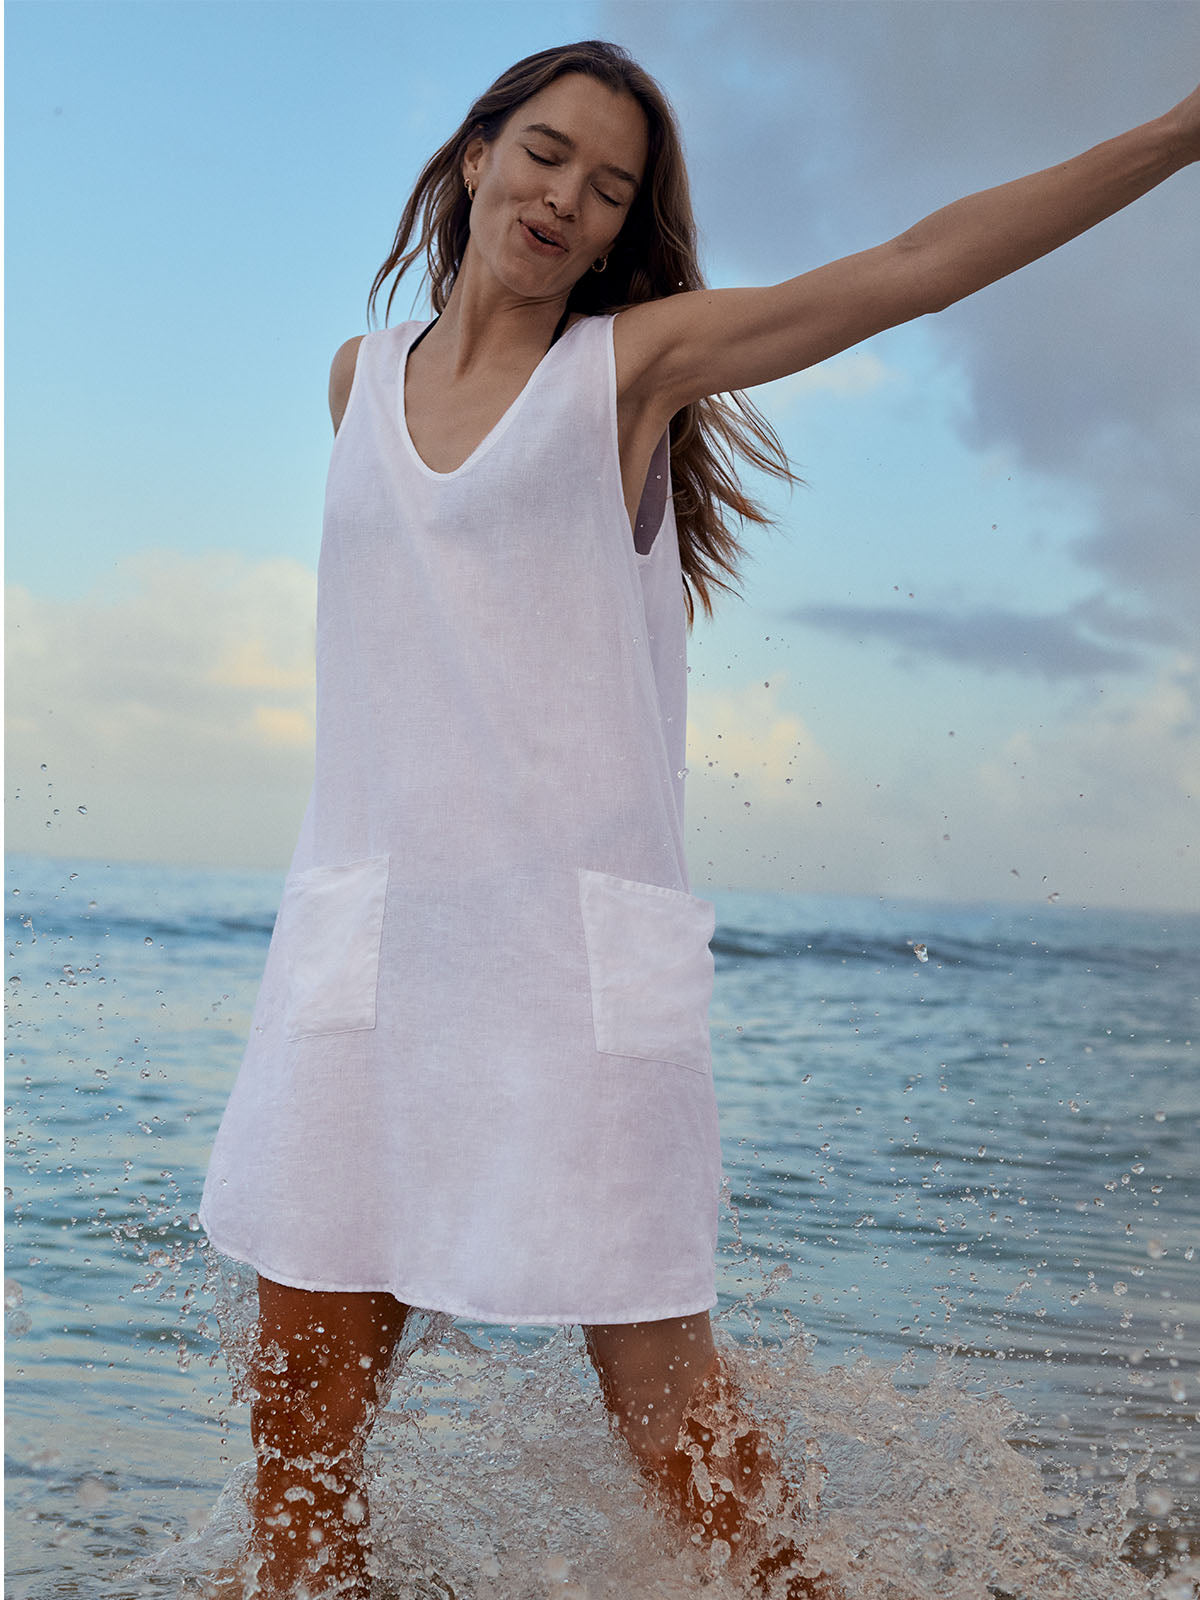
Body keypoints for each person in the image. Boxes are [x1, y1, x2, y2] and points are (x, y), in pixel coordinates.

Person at [197, 39, 1199, 1600]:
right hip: (367, 969)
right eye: (543, 153)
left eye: (608, 190)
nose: (564, 198)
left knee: (678, 1436)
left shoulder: (630, 371)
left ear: (618, 237)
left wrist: (1181, 132)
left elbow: (914, 269)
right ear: (474, 155)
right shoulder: (357, 377)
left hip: (570, 973)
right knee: (299, 1447)